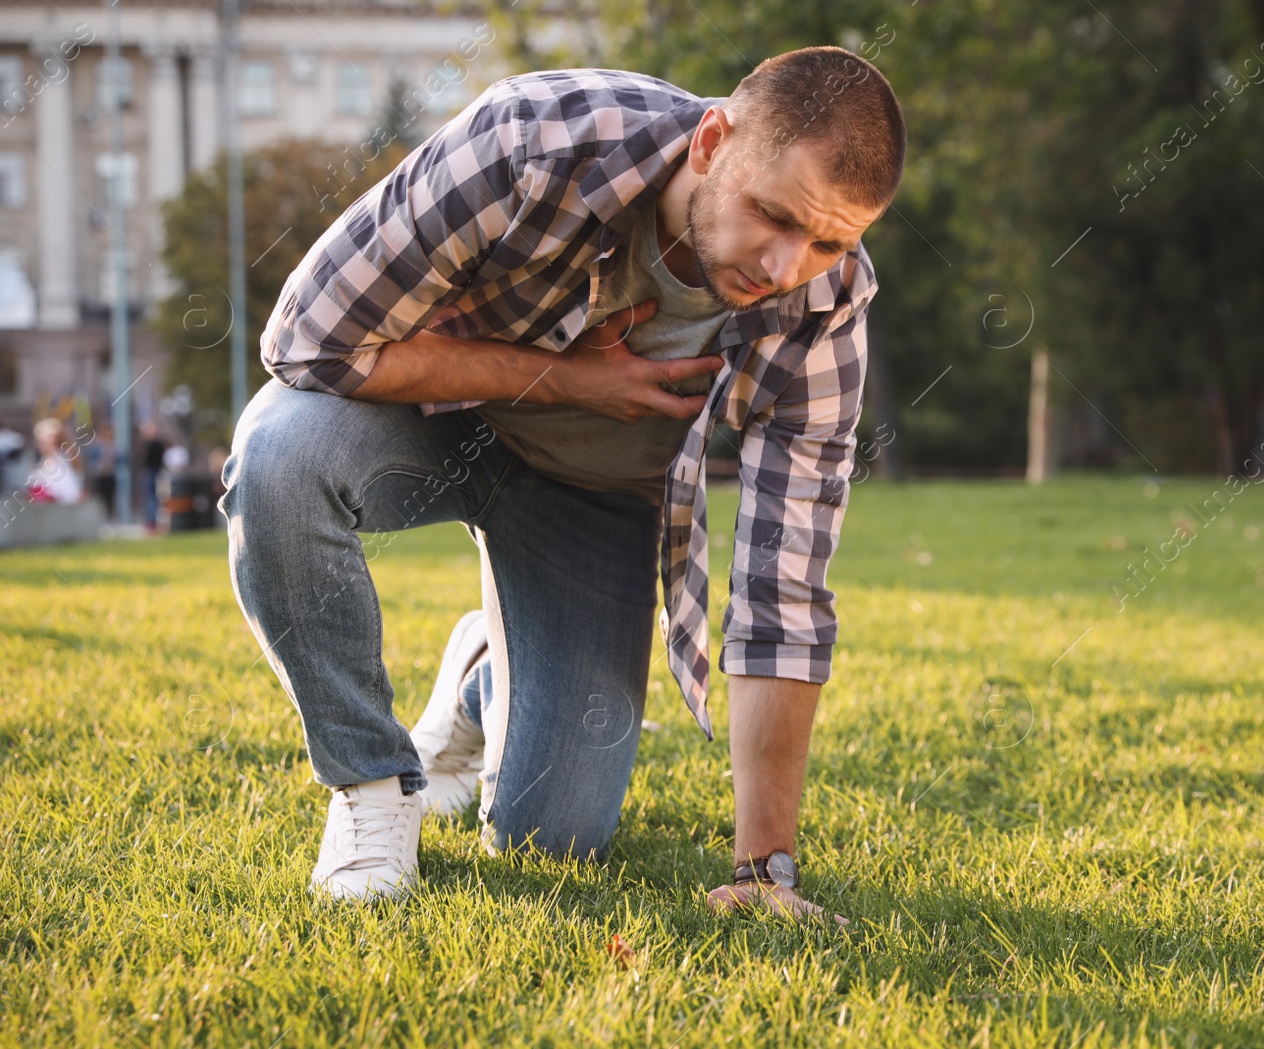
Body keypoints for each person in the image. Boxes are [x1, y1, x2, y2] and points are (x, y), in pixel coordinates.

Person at [220, 49, 904, 918]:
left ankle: (483, 676)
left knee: (555, 835)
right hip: (432, 418)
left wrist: (762, 870)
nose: (783, 266)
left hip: (590, 496)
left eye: (829, 240)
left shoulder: (825, 302)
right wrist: (568, 380)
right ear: (710, 141)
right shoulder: (532, 141)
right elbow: (307, 341)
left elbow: (783, 595)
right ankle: (372, 787)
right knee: (278, 451)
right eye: (770, 214)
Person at [25, 418, 85, 504]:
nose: (42, 446)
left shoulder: (64, 458)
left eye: (45, 442)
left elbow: (68, 491)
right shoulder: (40, 460)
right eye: (40, 442)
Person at [138, 421, 166, 529]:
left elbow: (145, 458)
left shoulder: (154, 445)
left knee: (152, 498)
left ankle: (152, 521)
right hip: (152, 472)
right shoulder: (156, 444)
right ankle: (151, 521)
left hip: (152, 472)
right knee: (151, 498)